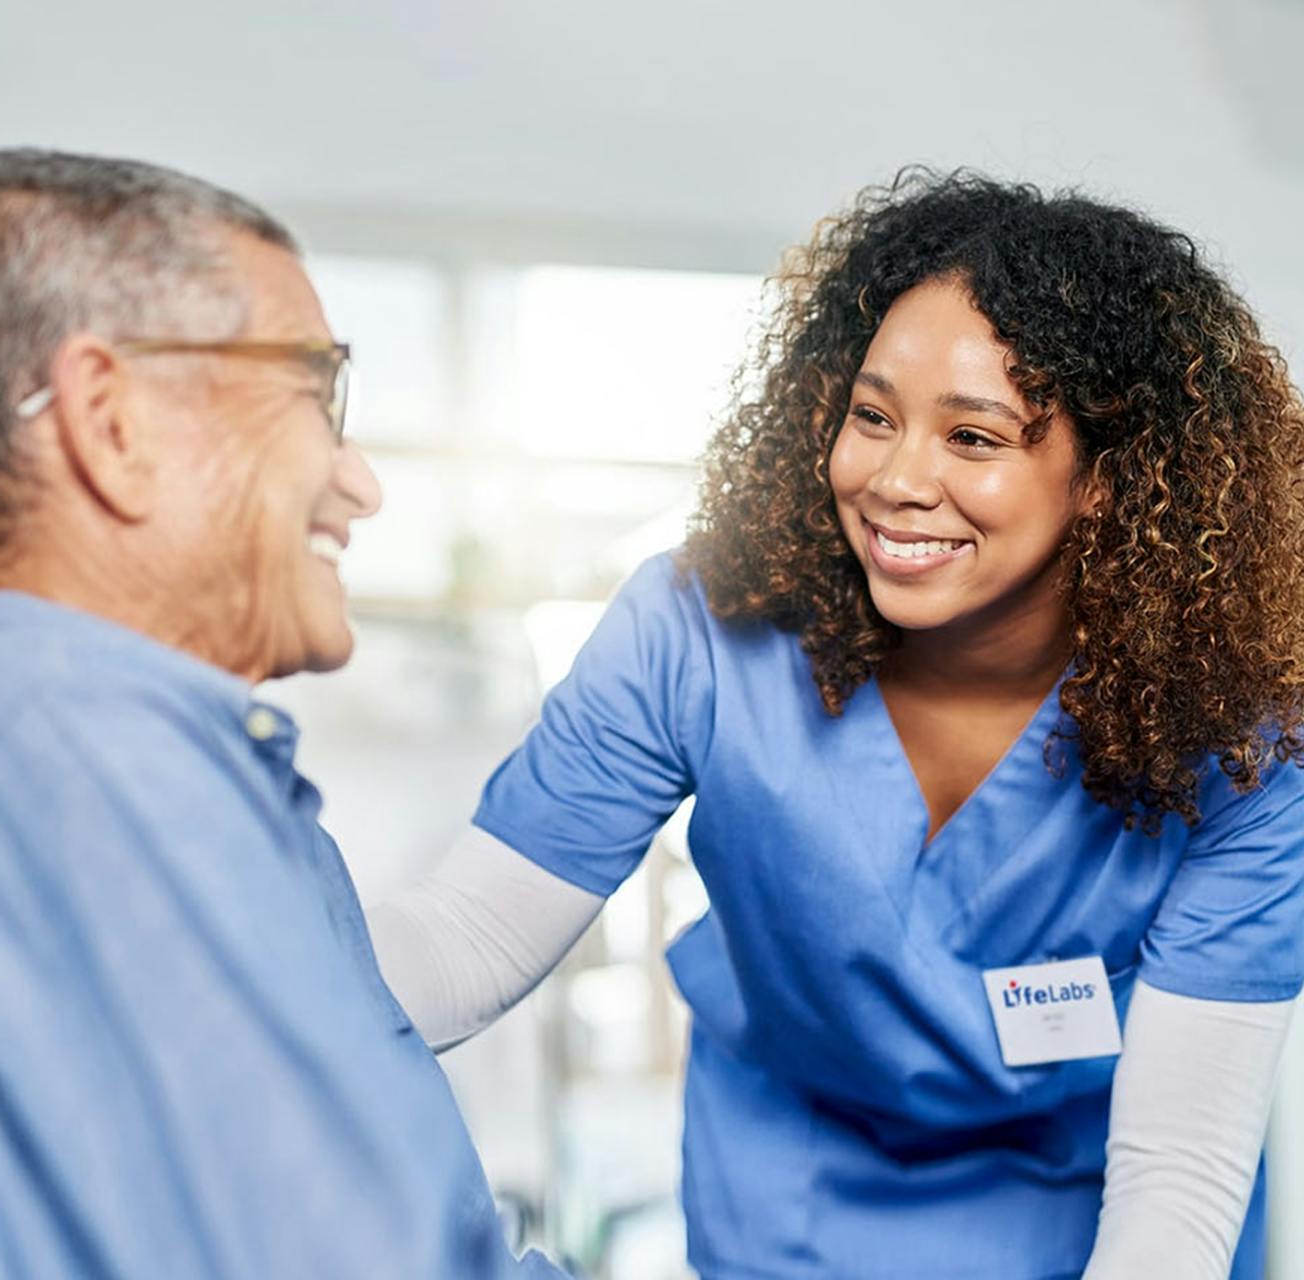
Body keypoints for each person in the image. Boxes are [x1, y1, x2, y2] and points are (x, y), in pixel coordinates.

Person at [367, 170, 1304, 1280]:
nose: (898, 479)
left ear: (1109, 477)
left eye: (973, 437)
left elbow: (1177, 1183)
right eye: (873, 416)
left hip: (1091, 1214)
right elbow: (465, 941)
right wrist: (237, 962)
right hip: (791, 1203)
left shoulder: (1245, 742)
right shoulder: (699, 630)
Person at [0, 148, 564, 1279]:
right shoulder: (91, 802)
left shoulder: (155, 789)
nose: (361, 483)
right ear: (111, 424)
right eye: (312, 391)